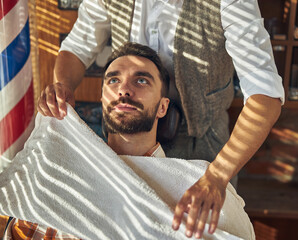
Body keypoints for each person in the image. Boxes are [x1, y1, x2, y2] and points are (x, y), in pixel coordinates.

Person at [37, 0, 285, 238]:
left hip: (202, 144)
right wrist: (63, 85)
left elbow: (266, 96)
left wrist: (217, 176)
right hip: (127, 140)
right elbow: (77, 47)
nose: (123, 89)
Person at [2, 42, 171, 240]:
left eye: (141, 81)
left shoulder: (184, 190)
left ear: (162, 107)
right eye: (113, 80)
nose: (123, 90)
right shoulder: (58, 173)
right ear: (103, 99)